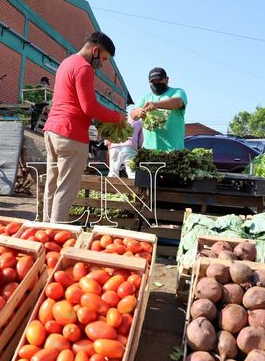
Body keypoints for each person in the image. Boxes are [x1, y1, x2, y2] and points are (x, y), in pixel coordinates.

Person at [43, 31, 125, 223]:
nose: (102, 64)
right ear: (95, 50)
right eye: (103, 58)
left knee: (52, 185)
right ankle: (56, 233)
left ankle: (44, 230)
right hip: (71, 134)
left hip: (52, 131)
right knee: (65, 190)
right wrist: (118, 117)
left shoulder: (66, 63)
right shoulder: (84, 68)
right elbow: (89, 107)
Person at [130, 67, 187, 150]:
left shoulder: (177, 92)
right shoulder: (145, 98)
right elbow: (133, 115)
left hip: (174, 150)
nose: (156, 83)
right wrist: (138, 112)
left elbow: (178, 102)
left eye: (159, 80)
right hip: (150, 150)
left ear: (167, 79)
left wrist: (156, 104)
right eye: (153, 81)